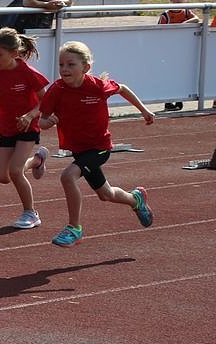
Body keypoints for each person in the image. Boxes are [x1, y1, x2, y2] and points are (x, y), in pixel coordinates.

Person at [37, 41, 155, 247]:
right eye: (61, 64)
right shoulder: (56, 90)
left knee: (67, 177)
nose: (64, 69)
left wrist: (144, 110)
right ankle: (135, 199)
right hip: (79, 150)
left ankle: (74, 228)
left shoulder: (97, 86)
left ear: (86, 67)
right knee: (106, 194)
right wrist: (47, 122)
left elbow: (123, 89)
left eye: (71, 64)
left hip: (99, 148)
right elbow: (42, 120)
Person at [0, 28, 50, 230]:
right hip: (7, 126)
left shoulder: (28, 73)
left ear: (14, 53)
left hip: (28, 126)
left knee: (16, 171)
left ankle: (31, 213)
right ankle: (37, 160)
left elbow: (45, 100)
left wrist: (30, 115)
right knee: (3, 176)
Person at [157, 0, 199, 111]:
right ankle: (168, 101)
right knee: (169, 75)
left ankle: (179, 97)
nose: (179, 0)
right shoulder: (166, 15)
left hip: (182, 49)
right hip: (169, 50)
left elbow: (196, 19)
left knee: (181, 74)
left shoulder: (186, 12)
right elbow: (159, 32)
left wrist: (183, 24)